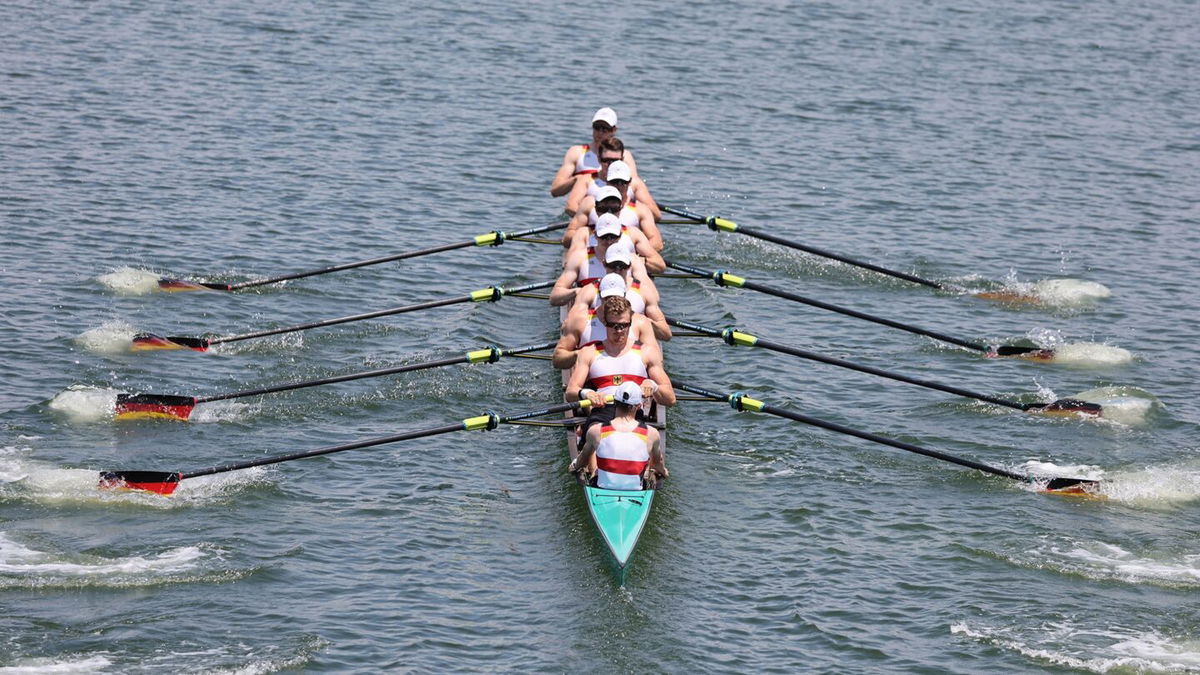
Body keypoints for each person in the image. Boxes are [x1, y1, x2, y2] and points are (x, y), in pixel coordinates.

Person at [564, 294, 676, 433]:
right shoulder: (589, 352)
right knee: (595, 434)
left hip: (633, 414)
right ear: (604, 322)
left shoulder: (647, 352)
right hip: (602, 412)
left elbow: (670, 399)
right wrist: (587, 394)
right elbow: (570, 392)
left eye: (624, 325)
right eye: (614, 326)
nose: (619, 331)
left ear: (630, 322)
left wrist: (652, 385)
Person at [569, 380, 667, 488]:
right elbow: (657, 464)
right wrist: (664, 472)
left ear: (615, 401)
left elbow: (582, 461)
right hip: (636, 491)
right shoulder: (652, 433)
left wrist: (574, 466)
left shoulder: (596, 431)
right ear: (639, 405)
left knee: (595, 472)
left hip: (602, 488)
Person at [552, 213, 663, 307]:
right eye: (604, 237)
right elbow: (554, 297)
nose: (609, 241)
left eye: (612, 236)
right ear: (595, 235)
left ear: (620, 236)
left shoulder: (633, 259)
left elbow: (655, 297)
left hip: (623, 315)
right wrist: (577, 292)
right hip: (587, 311)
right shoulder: (579, 257)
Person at [569, 239, 670, 342]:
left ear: (629, 266)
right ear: (604, 264)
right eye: (613, 266)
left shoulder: (643, 292)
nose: (617, 271)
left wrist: (643, 320)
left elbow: (666, 334)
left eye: (622, 266)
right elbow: (567, 325)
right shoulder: (589, 291)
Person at [565, 137, 661, 221]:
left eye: (615, 161)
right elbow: (571, 207)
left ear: (622, 159)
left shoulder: (634, 183)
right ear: (599, 159)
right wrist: (596, 219)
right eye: (606, 160)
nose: (611, 164)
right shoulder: (586, 180)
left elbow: (656, 215)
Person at [549, 107, 639, 197]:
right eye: (597, 127)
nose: (599, 132)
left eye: (604, 129)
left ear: (614, 130)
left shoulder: (625, 156)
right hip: (583, 208)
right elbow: (555, 191)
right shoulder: (577, 153)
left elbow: (635, 186)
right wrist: (577, 179)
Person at [563, 183, 663, 252]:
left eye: (614, 208)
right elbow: (567, 239)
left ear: (620, 208)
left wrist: (638, 257)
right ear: (596, 208)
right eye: (603, 207)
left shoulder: (634, 232)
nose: (609, 211)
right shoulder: (583, 233)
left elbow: (658, 244)